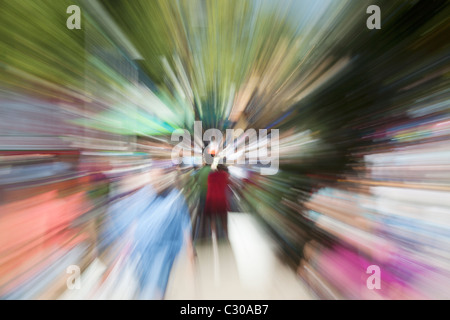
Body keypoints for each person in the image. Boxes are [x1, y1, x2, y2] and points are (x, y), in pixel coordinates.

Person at [132, 167, 194, 300]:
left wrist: (190, 257)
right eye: (154, 179)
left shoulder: (175, 200)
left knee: (155, 291)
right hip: (143, 253)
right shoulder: (146, 196)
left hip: (163, 254)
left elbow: (185, 227)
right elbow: (135, 221)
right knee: (144, 288)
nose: (157, 182)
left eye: (159, 179)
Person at [204, 164, 230, 239]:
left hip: (211, 199)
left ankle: (214, 235)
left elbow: (207, 184)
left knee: (213, 218)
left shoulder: (210, 175)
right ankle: (226, 235)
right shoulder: (225, 175)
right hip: (221, 199)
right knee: (223, 219)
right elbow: (229, 183)